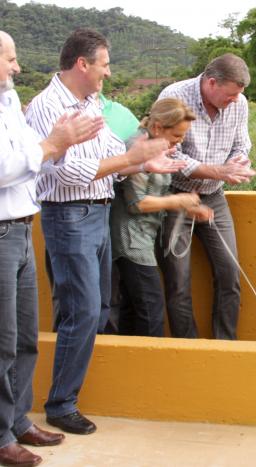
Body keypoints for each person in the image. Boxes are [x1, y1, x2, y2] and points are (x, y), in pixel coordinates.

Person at [24, 28, 180, 436]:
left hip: (97, 214)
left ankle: (63, 394)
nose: (107, 74)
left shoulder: (89, 102)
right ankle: (60, 404)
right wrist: (132, 158)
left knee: (98, 309)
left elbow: (114, 156)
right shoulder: (47, 106)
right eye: (105, 65)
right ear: (83, 64)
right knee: (83, 311)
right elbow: (68, 171)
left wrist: (143, 163)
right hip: (69, 216)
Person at [0, 30, 103, 466]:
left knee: (25, 341)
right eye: (9, 58)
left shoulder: (8, 103)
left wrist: (45, 147)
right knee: (3, 342)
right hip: (3, 232)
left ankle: (17, 420)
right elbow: (19, 163)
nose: (17, 67)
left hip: (22, 229)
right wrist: (51, 145)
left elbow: (28, 156)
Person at [158, 53, 256, 340]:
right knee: (178, 281)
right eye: (230, 95)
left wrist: (239, 164)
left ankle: (225, 345)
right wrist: (219, 171)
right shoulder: (175, 96)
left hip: (214, 197)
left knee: (230, 273)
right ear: (211, 83)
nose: (235, 101)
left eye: (239, 95)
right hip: (176, 197)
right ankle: (187, 346)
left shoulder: (239, 103)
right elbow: (169, 153)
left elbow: (242, 144)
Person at [111, 98, 210, 337]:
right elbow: (138, 204)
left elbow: (158, 193)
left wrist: (186, 207)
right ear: (157, 128)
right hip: (131, 241)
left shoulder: (158, 148)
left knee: (133, 309)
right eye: (176, 135)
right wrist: (178, 201)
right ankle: (150, 366)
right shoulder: (137, 148)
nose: (180, 141)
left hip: (143, 237)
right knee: (150, 309)